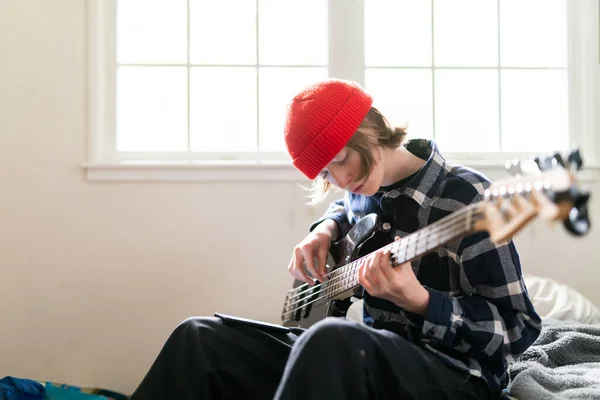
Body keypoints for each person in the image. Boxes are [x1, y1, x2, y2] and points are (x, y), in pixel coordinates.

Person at [129, 79, 541, 400]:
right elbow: (346, 211)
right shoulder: (360, 193)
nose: (342, 179)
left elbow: (520, 330)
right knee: (199, 337)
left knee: (331, 340)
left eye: (342, 158)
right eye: (326, 174)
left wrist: (421, 302)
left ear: (372, 127)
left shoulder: (468, 198)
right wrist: (323, 229)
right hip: (360, 357)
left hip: (454, 376)